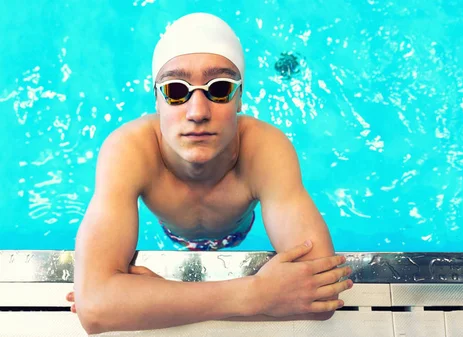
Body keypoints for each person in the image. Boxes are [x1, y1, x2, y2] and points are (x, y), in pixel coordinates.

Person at [68, 12, 352, 335]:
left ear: (240, 98)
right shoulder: (128, 151)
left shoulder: (265, 150)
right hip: (175, 234)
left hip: (237, 232)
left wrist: (161, 303)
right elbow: (94, 308)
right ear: (157, 101)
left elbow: (325, 295)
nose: (198, 112)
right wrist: (258, 294)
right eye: (176, 90)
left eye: (219, 88)